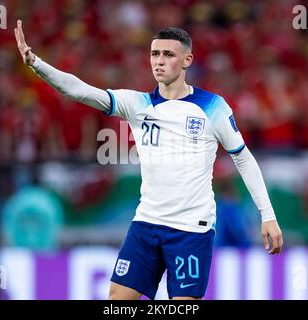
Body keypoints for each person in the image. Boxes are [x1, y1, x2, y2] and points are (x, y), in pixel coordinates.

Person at [14, 20, 283, 300]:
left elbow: (244, 159)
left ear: (187, 60)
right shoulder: (137, 104)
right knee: (117, 300)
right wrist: (36, 63)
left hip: (191, 229)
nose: (159, 61)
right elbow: (79, 90)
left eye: (168, 54)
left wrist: (268, 215)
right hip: (146, 223)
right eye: (155, 54)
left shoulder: (213, 107)